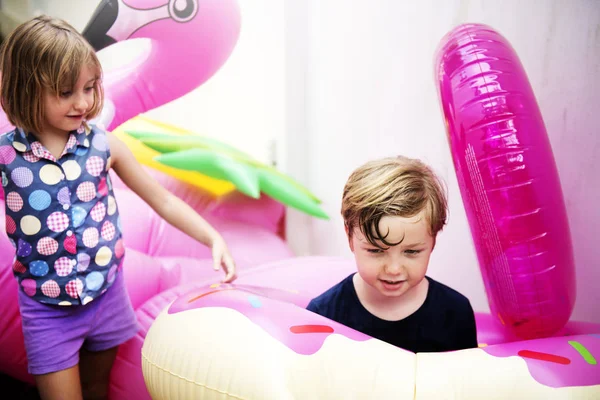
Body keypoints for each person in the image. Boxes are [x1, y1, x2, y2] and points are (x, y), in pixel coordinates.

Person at [0, 15, 236, 400]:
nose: (83, 102)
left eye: (91, 88)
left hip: (107, 294)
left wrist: (211, 236)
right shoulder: (7, 155)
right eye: (65, 92)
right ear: (26, 89)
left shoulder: (103, 145)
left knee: (98, 387)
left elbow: (161, 199)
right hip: (47, 309)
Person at [307, 156, 477, 353]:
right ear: (350, 237)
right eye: (376, 251)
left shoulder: (455, 312)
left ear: (433, 241)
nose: (394, 269)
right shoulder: (323, 315)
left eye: (411, 251)